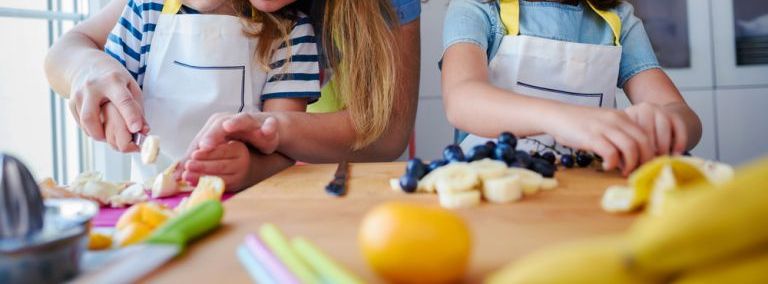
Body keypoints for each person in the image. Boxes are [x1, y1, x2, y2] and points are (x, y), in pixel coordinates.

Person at [45, 0, 422, 188]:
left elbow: (384, 133)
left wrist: (252, 162)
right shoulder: (145, 12)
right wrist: (96, 80)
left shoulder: (291, 35)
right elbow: (70, 49)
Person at [440, 0, 702, 175]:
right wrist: (560, 119)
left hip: (588, 195)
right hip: (494, 190)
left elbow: (682, 115)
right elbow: (461, 98)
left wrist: (665, 125)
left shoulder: (618, 18)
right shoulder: (476, 7)